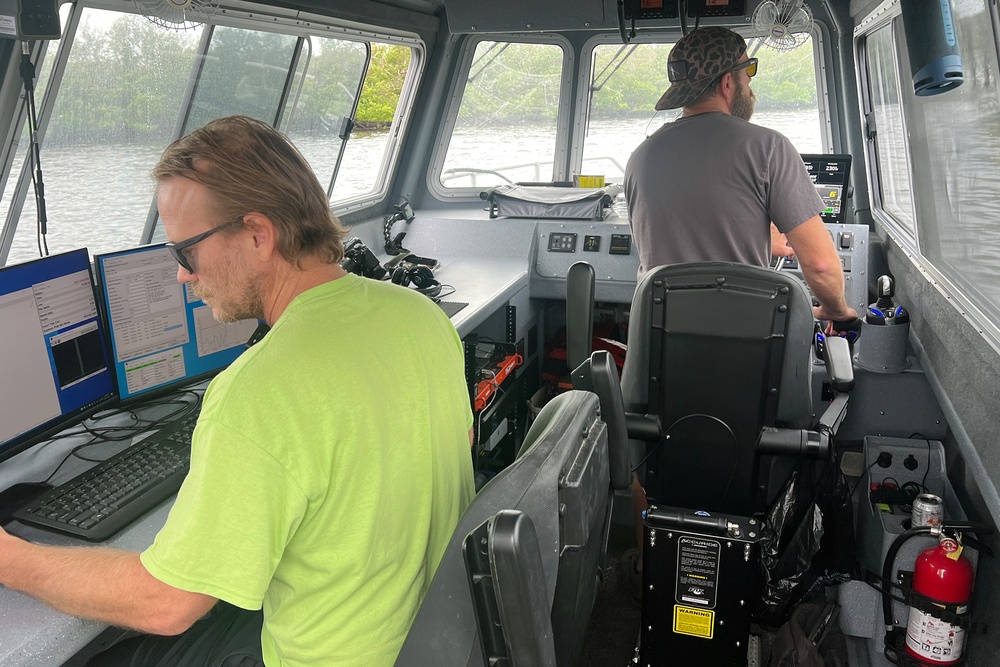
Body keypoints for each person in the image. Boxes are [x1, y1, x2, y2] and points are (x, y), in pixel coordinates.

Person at [0, 116, 476, 667]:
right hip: (432, 636)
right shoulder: (417, 314)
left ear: (257, 234)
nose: (181, 275)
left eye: (186, 252)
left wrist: (9, 558)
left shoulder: (259, 391)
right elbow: (453, 444)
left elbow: (167, 604)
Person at [620, 27, 859, 592]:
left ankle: (647, 566)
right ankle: (762, 568)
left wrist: (765, 241)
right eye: (749, 76)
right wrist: (840, 312)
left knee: (645, 450)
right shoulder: (768, 148)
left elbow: (679, 250)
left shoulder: (640, 157)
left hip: (662, 364)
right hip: (749, 377)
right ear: (730, 81)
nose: (751, 87)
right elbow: (822, 268)